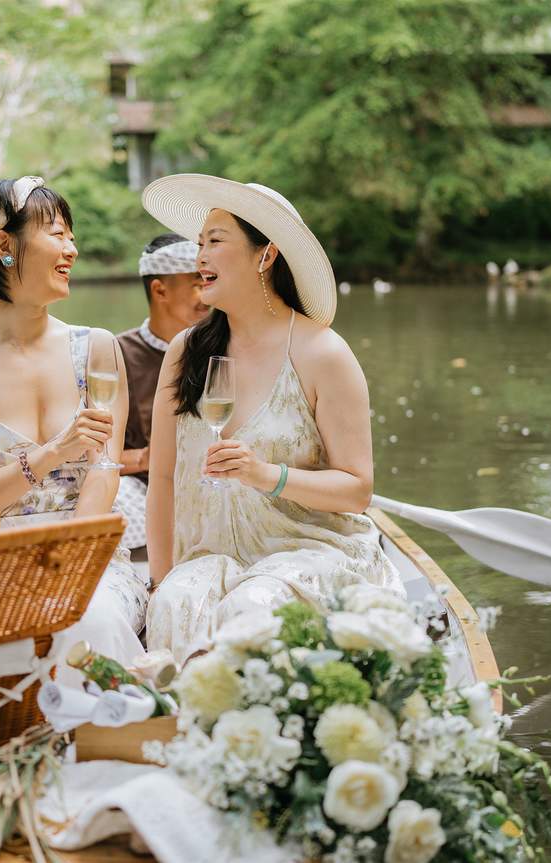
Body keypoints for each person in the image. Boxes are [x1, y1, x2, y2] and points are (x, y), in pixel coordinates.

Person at [141, 175, 405, 662]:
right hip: (211, 557)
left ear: (266, 255)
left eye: (215, 242)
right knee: (178, 606)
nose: (199, 256)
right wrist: (160, 581)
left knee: (251, 610)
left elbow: (357, 490)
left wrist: (266, 475)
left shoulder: (322, 353)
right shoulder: (185, 352)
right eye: (199, 243)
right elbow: (161, 478)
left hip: (309, 552)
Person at [0, 175, 148, 669]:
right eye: (56, 234)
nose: (72, 249)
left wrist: (70, 561)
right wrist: (50, 454)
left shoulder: (98, 348)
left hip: (87, 551)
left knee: (89, 621)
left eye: (71, 235)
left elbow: (104, 472)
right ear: (3, 246)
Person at [112, 233, 208, 552]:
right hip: (141, 490)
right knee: (107, 506)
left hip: (217, 484)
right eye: (197, 283)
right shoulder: (114, 354)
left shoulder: (223, 347)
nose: (207, 295)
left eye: (209, 281)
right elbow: (91, 459)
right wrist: (143, 458)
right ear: (160, 289)